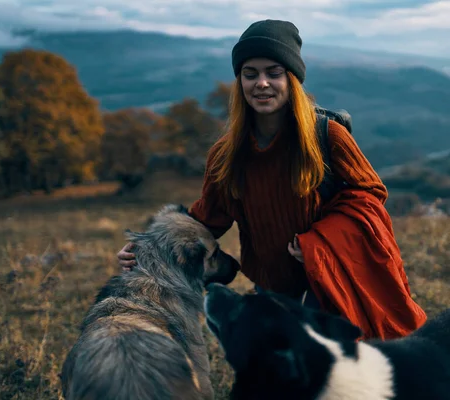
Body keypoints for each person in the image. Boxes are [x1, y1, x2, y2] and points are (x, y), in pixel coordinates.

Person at [118, 19, 427, 340]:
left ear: (291, 79)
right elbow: (208, 217)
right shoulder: (225, 154)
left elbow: (370, 193)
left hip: (330, 279)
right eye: (250, 74)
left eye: (273, 73)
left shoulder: (327, 135)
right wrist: (148, 247)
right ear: (239, 81)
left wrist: (318, 242)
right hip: (272, 285)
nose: (261, 83)